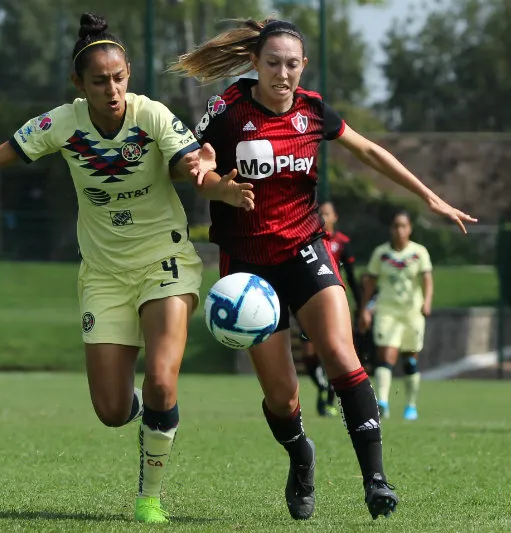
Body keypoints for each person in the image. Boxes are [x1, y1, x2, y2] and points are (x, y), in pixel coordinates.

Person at [0, 13, 251, 524]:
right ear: (79, 85)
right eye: (100, 80)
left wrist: (216, 183)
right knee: (110, 410)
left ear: (129, 74)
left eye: (120, 77)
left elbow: (192, 167)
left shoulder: (151, 116)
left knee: (161, 381)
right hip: (104, 275)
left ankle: (150, 495)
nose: (112, 89)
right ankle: (151, 412)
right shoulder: (60, 124)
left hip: (163, 262)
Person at [171, 18, 476, 521]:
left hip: (305, 251)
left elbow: (370, 151)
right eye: (273, 63)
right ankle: (301, 456)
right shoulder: (227, 110)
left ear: (304, 66)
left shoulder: (313, 111)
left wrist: (429, 197)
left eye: (292, 64)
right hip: (248, 267)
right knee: (282, 395)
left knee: (341, 353)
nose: (282, 73)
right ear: (256, 64)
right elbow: (192, 168)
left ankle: (376, 479)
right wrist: (214, 185)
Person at [359, 211, 433, 421]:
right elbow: (370, 283)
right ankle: (382, 403)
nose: (399, 230)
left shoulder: (419, 253)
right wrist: (364, 309)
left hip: (411, 313)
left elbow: (427, 279)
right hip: (387, 311)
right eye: (395, 226)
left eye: (403, 226)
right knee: (385, 355)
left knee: (410, 360)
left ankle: (410, 405)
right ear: (391, 229)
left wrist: (427, 302)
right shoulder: (381, 253)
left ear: (409, 229)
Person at [299, 202, 361, 417]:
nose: (323, 217)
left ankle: (328, 399)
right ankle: (323, 386)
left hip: (334, 305)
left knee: (332, 351)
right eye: (320, 213)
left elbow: (352, 278)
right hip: (308, 302)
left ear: (335, 217)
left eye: (327, 213)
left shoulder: (342, 243)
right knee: (308, 355)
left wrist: (361, 307)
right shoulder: (307, 240)